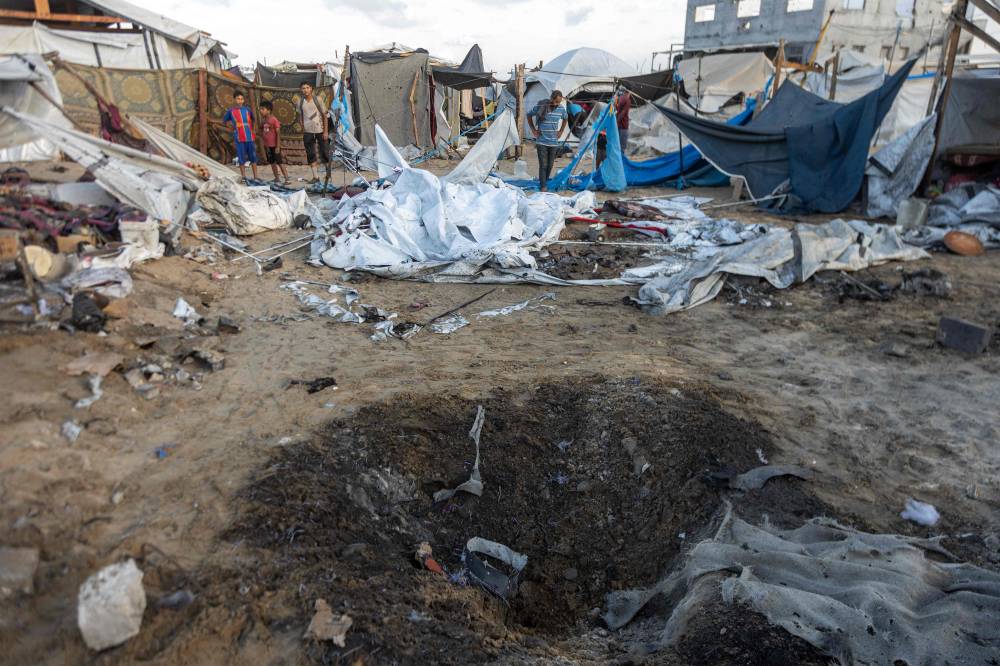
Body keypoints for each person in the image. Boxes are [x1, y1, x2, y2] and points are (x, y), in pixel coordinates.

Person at [527, 89, 568, 192]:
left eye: (559, 102)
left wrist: (561, 131)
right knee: (543, 165)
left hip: (554, 142)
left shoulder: (561, 109)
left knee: (550, 165)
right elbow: (529, 114)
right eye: (556, 101)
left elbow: (565, 118)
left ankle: (544, 181)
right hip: (541, 142)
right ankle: (543, 186)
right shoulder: (541, 106)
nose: (557, 104)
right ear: (551, 99)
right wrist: (533, 129)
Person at [222, 91, 258, 181]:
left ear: (243, 100)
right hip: (239, 137)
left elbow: (254, 120)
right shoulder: (231, 111)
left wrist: (253, 130)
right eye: (238, 99)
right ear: (234, 100)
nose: (240, 101)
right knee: (241, 158)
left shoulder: (247, 110)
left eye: (242, 99)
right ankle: (243, 177)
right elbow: (224, 121)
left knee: (253, 157)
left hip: (249, 137)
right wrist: (230, 127)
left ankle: (256, 177)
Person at [299, 82, 329, 183]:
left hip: (320, 131)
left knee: (324, 152)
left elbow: (325, 115)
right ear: (301, 90)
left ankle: (327, 175)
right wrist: (302, 127)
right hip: (308, 132)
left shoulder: (318, 99)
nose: (305, 90)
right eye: (303, 88)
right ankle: (315, 177)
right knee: (311, 154)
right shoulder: (300, 102)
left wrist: (325, 131)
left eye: (307, 87)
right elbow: (300, 115)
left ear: (311, 88)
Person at [259, 101, 289, 184]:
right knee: (272, 162)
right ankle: (277, 178)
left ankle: (287, 179)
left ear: (268, 110)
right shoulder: (264, 120)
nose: (261, 111)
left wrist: (278, 146)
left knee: (279, 162)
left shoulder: (274, 120)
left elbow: (278, 133)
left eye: (263, 109)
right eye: (260, 109)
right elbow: (261, 127)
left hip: (274, 146)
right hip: (267, 146)